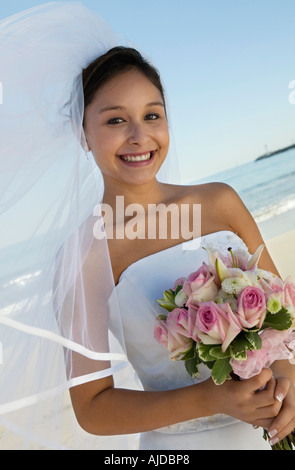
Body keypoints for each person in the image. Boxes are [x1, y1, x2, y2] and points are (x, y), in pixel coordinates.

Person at [0, 3, 294, 450]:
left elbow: (285, 323)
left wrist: (288, 383)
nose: (139, 136)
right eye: (116, 120)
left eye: (152, 115)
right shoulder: (84, 255)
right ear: (83, 134)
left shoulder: (220, 201)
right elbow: (93, 408)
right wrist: (212, 398)